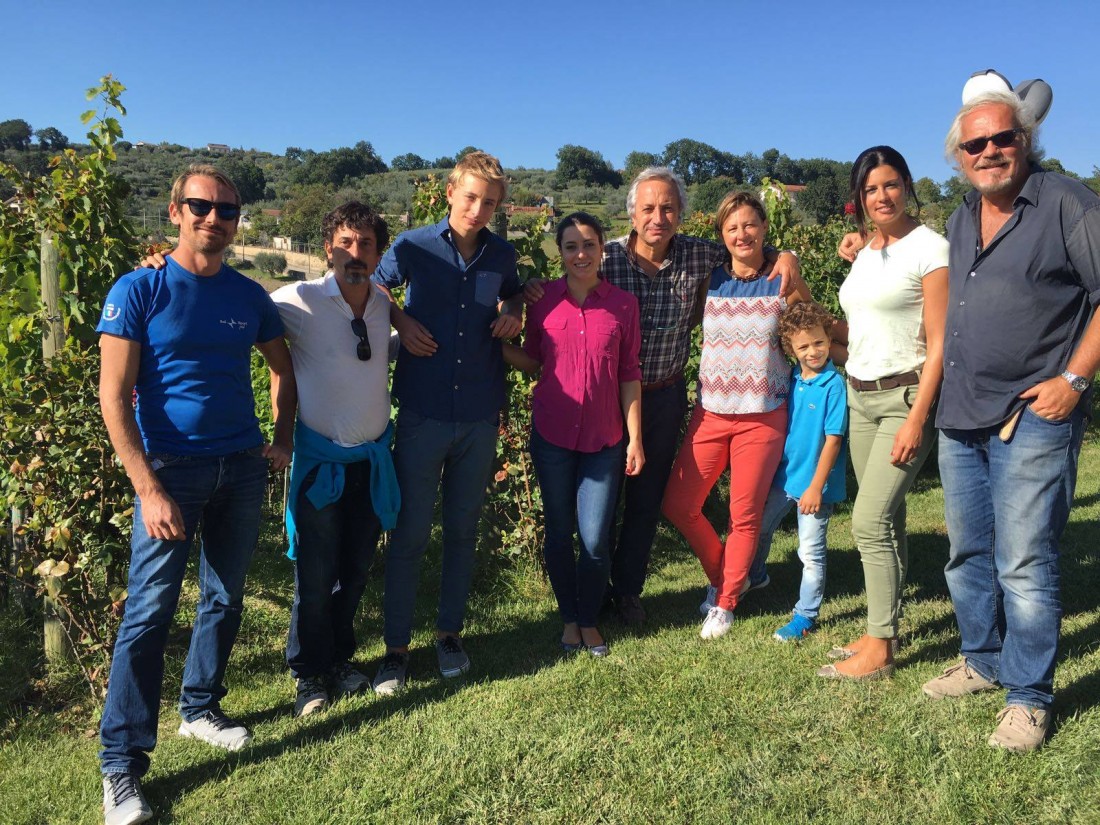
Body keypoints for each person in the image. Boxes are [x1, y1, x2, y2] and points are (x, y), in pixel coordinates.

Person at [97, 164, 295, 825]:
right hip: (169, 470)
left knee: (225, 595)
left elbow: (281, 368)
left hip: (240, 465)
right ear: (176, 212)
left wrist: (281, 438)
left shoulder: (249, 294)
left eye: (228, 211)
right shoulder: (140, 288)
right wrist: (147, 487)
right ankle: (120, 765)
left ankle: (200, 707)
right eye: (202, 206)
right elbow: (112, 397)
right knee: (149, 613)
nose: (215, 219)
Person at [526, 168, 801, 625]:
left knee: (647, 500)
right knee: (603, 500)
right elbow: (555, 287)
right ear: (632, 213)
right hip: (607, 399)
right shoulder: (604, 256)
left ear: (681, 214)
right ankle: (592, 595)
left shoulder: (699, 255)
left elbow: (745, 246)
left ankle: (628, 591)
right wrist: (523, 295)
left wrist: (784, 255)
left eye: (669, 207)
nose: (659, 217)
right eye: (649, 208)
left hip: (665, 396)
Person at [921, 86, 1100, 751]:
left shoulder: (1067, 204)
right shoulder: (964, 217)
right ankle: (982, 658)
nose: (991, 150)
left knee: (1024, 558)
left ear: (1025, 139)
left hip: (1033, 414)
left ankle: (1028, 697)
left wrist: (1074, 378)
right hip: (963, 415)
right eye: (977, 144)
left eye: (1004, 138)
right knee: (967, 551)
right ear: (960, 157)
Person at [370, 151, 523, 694]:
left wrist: (516, 313)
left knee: (462, 531)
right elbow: (377, 287)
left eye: (489, 202)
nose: (478, 209)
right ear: (450, 192)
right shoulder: (411, 246)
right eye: (471, 196)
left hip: (479, 414)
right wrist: (400, 319)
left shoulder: (501, 254)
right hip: (422, 411)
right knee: (409, 533)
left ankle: (449, 634)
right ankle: (394, 650)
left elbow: (516, 292)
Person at [816, 146, 948, 681]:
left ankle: (881, 645)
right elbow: (860, 329)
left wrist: (919, 418)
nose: (881, 196)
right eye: (870, 189)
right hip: (860, 395)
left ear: (907, 185)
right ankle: (879, 627)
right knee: (887, 522)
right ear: (859, 198)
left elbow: (939, 343)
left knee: (868, 522)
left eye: (890, 184)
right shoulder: (867, 251)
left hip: (905, 399)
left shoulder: (930, 248)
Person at [662, 192, 814, 640]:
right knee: (679, 504)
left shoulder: (782, 278)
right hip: (710, 411)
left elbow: (815, 324)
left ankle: (725, 602)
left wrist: (791, 261)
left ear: (764, 227)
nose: (741, 235)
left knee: (742, 514)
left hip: (762, 414)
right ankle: (731, 575)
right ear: (722, 236)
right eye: (732, 228)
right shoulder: (710, 280)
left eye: (749, 225)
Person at [271, 202, 400, 717]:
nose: (355, 252)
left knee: (355, 571)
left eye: (365, 243)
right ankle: (308, 674)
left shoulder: (383, 305)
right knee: (315, 574)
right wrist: (162, 264)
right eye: (345, 242)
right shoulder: (297, 300)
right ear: (327, 248)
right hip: (320, 465)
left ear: (377, 253)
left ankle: (341, 661)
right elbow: (239, 305)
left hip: (370, 465)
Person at [503, 212, 644, 656]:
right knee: (559, 531)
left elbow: (628, 373)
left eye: (588, 245)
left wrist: (635, 438)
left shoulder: (623, 305)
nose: (580, 254)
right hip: (553, 436)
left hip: (605, 440)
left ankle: (589, 619)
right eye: (570, 246)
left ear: (603, 248)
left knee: (597, 537)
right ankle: (570, 618)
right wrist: (487, 343)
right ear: (559, 252)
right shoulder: (542, 301)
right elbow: (532, 360)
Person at [754, 302, 847, 642]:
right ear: (790, 349)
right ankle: (756, 575)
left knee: (810, 552)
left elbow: (833, 441)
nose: (813, 352)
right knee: (761, 528)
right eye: (803, 346)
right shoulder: (792, 378)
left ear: (828, 340)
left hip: (814, 486)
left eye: (819, 343)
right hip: (785, 477)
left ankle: (805, 616)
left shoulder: (833, 385)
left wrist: (816, 487)